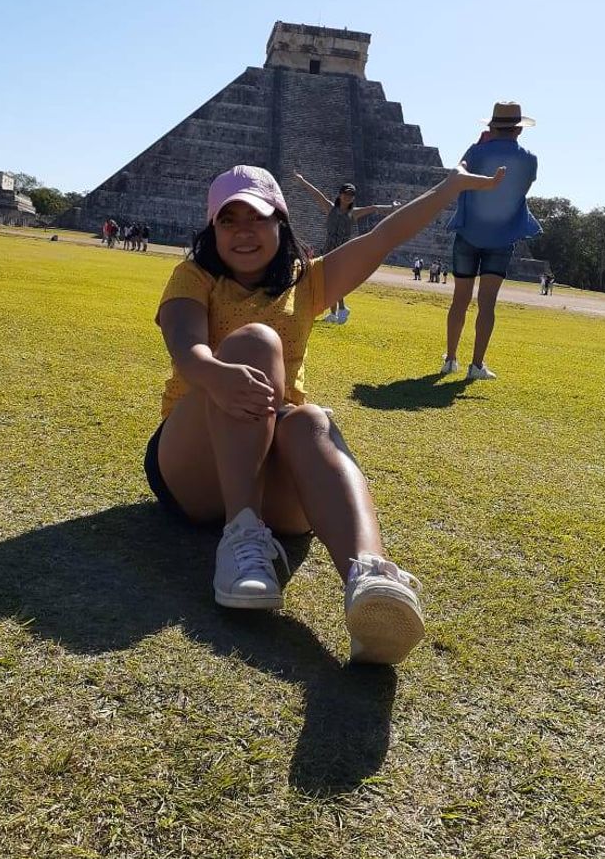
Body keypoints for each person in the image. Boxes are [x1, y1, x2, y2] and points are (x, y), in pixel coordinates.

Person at [146, 161, 504, 665]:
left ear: (281, 223)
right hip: (195, 464)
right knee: (254, 342)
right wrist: (214, 373)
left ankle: (372, 582)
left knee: (312, 420)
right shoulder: (192, 276)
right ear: (212, 229)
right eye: (229, 220)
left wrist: (451, 188)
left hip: (272, 469)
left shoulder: (308, 283)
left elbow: (383, 237)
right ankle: (242, 535)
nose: (244, 231)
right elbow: (187, 350)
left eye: (258, 217)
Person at [440, 102, 541, 381]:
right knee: (487, 304)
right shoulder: (530, 159)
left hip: (468, 234)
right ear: (519, 130)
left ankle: (450, 359)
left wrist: (478, 146)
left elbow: (457, 174)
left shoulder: (476, 152)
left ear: (490, 128)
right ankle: (477, 364)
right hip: (502, 237)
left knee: (459, 301)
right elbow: (521, 188)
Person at [293, 173, 399, 324]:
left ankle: (342, 309)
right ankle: (334, 313)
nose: (347, 197)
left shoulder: (353, 213)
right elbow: (316, 194)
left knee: (334, 281)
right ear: (340, 194)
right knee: (329, 282)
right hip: (329, 249)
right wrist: (302, 181)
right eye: (345, 193)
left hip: (342, 251)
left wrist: (392, 208)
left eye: (351, 195)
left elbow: (373, 208)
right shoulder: (330, 208)